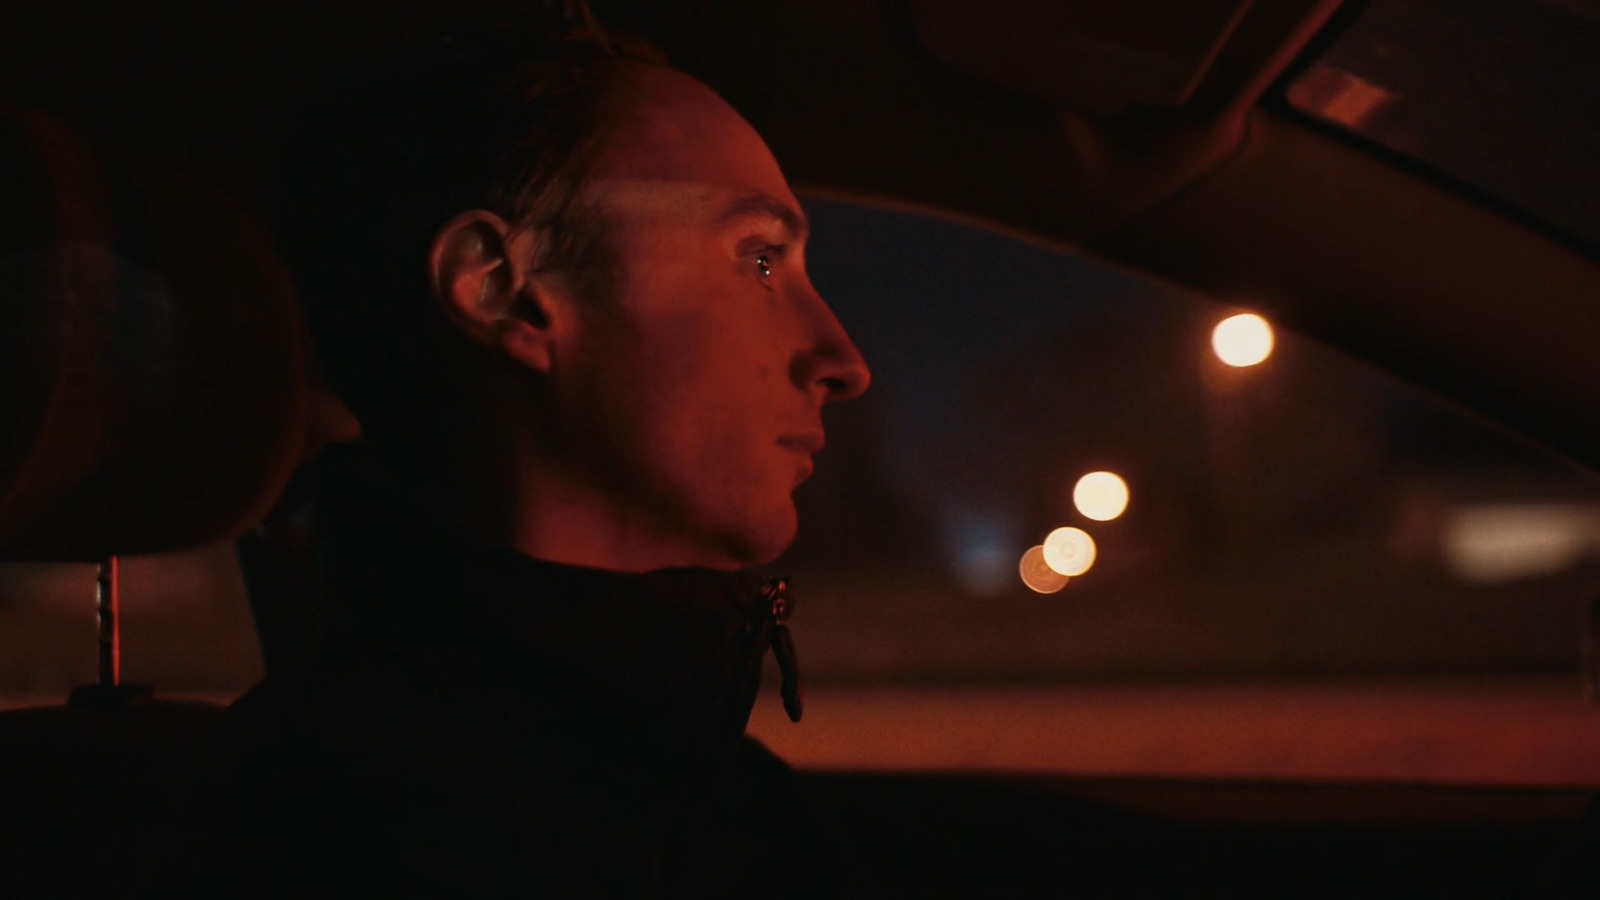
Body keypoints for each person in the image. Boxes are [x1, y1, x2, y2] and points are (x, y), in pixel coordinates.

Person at [204, 8, 869, 898]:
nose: (843, 361)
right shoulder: (397, 837)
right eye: (758, 260)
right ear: (505, 292)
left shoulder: (669, 783)